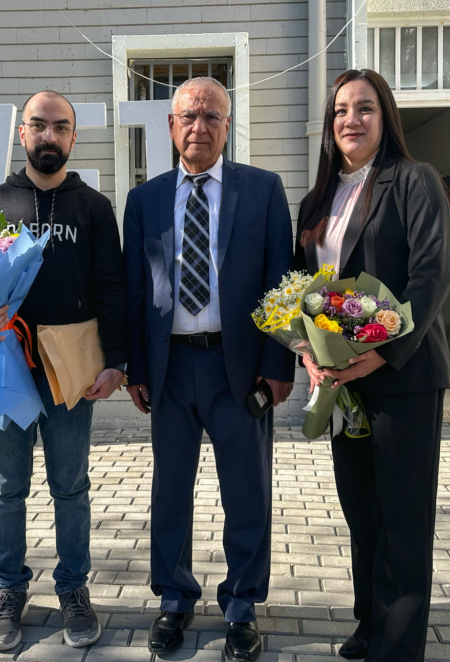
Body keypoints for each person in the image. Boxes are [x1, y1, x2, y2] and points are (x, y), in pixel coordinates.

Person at [0, 90, 127, 652]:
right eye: (39, 126)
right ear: (23, 134)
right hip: (5, 367)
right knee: (6, 487)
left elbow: (113, 290)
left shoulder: (94, 209)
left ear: (74, 138)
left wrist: (116, 361)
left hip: (70, 370)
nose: (49, 136)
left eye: (61, 127)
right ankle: (8, 589)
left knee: (70, 487)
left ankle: (73, 589)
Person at [123, 76, 295, 662]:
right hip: (171, 371)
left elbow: (280, 280)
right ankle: (174, 599)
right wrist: (136, 368)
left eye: (211, 117)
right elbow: (133, 291)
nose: (199, 127)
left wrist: (278, 364)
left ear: (228, 126)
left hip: (237, 370)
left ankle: (242, 606)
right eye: (188, 117)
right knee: (171, 491)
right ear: (171, 127)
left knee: (247, 493)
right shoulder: (143, 201)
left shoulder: (264, 191)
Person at [293, 69, 450, 661]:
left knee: (404, 515)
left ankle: (400, 643)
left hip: (403, 376)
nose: (350, 120)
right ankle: (371, 620)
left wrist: (379, 353)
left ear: (385, 117)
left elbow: (430, 278)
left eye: (364, 108)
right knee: (362, 510)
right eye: (340, 110)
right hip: (341, 382)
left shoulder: (414, 182)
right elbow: (305, 290)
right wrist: (309, 353)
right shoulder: (317, 200)